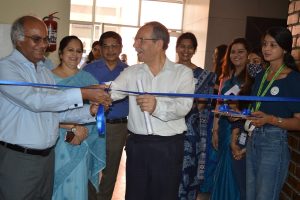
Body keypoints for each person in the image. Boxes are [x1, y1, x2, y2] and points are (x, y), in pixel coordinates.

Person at [0, 15, 111, 200]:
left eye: (45, 39)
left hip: (47, 158)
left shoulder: (43, 71)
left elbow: (55, 112)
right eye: (37, 39)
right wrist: (83, 93)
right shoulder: (7, 68)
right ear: (19, 39)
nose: (43, 45)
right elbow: (36, 101)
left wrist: (90, 112)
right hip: (19, 159)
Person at [110, 21, 194, 200]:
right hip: (137, 147)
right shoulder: (132, 72)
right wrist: (95, 94)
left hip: (168, 148)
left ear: (159, 44)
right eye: (135, 40)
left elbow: (184, 107)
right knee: (135, 195)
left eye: (140, 40)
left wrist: (157, 107)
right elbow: (112, 91)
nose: (135, 45)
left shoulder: (183, 73)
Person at [246, 27, 300, 200]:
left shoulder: (293, 79)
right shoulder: (261, 75)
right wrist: (243, 115)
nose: (266, 49)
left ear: (284, 48)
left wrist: (271, 119)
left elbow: (298, 122)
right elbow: (257, 107)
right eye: (264, 44)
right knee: (250, 195)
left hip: (274, 142)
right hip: (253, 138)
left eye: (272, 45)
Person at [51, 36, 106, 200]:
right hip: (54, 140)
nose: (75, 55)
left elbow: (97, 113)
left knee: (76, 187)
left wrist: (82, 132)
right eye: (70, 50)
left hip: (82, 140)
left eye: (79, 51)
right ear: (61, 53)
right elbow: (45, 111)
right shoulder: (47, 79)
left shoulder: (88, 80)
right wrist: (71, 128)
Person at [83, 31, 129, 200]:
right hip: (92, 125)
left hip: (119, 127)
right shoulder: (89, 69)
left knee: (111, 171)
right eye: (106, 46)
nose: (110, 50)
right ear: (100, 48)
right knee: (90, 168)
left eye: (114, 46)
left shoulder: (128, 71)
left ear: (121, 47)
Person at [175, 32, 216, 200]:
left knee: (188, 174)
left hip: (192, 133)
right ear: (177, 48)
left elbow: (204, 105)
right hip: (168, 131)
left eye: (190, 47)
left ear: (194, 50)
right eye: (182, 46)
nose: (186, 50)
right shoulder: (168, 71)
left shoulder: (206, 76)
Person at [211, 38, 251, 200]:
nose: (236, 55)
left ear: (248, 54)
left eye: (241, 51)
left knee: (233, 167)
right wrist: (215, 129)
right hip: (223, 126)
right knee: (222, 165)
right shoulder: (225, 77)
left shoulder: (251, 79)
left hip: (239, 127)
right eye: (233, 52)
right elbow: (219, 103)